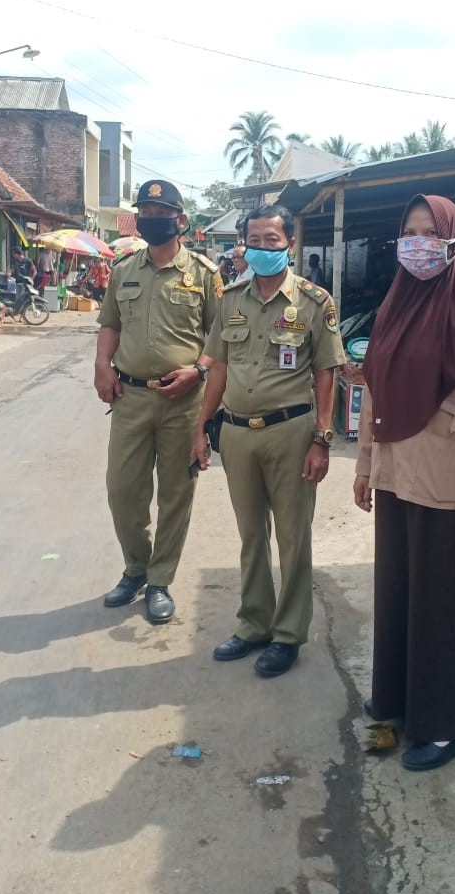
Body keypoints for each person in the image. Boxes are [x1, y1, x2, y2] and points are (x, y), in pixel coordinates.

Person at [353, 195, 455, 773]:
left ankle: (448, 726)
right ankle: (397, 698)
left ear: (453, 243)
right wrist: (366, 465)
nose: (418, 244)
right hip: (397, 475)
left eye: (430, 233)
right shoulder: (394, 307)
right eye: (409, 232)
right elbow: (374, 388)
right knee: (399, 591)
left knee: (445, 602)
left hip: (448, 484)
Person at [193, 204, 346, 679]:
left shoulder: (315, 302)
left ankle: (287, 634)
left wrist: (322, 439)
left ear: (290, 244)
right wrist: (200, 427)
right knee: (250, 536)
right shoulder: (230, 299)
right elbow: (217, 367)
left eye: (272, 241)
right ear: (245, 244)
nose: (262, 249)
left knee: (293, 537)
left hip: (292, 432)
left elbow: (327, 374)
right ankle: (253, 623)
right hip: (237, 434)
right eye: (254, 241)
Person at [95, 180, 223, 625]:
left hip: (183, 403)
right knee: (122, 491)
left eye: (160, 210)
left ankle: (160, 580)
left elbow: (220, 336)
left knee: (175, 494)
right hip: (130, 397)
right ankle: (136, 568)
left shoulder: (205, 275)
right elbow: (109, 323)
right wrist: (102, 365)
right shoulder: (125, 268)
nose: (152, 217)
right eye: (145, 210)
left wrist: (200, 371)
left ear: (180, 220)